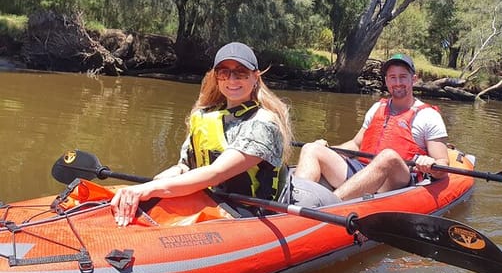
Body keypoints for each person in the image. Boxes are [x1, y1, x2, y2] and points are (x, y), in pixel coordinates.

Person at [110, 42, 293, 226]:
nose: (232, 80)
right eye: (224, 72)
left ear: (255, 77)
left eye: (241, 72)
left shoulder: (263, 122)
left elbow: (216, 173)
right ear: (216, 77)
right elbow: (187, 165)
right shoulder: (204, 116)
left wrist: (150, 189)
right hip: (212, 200)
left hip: (248, 211)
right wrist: (167, 176)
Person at [294, 53, 449, 201]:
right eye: (392, 77)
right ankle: (296, 200)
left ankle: (332, 203)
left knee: (388, 156)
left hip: (396, 181)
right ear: (386, 81)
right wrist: (329, 149)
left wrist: (430, 164)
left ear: (413, 79)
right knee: (311, 148)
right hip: (362, 170)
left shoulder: (428, 116)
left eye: (403, 77)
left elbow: (442, 162)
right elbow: (355, 144)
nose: (397, 83)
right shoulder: (376, 107)